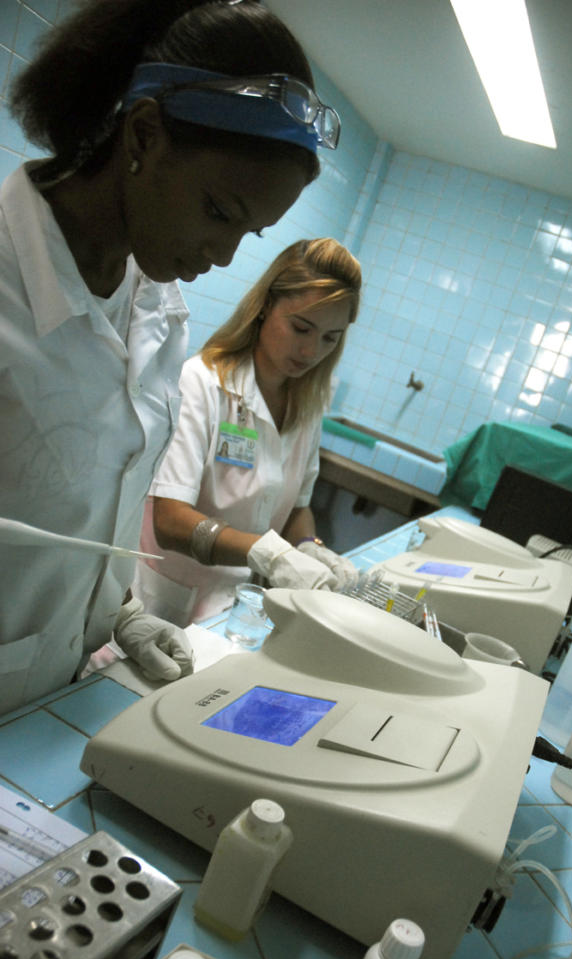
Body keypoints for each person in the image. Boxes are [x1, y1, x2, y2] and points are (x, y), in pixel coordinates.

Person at [0, 0, 341, 713]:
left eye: (249, 234)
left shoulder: (156, 311)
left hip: (48, 698)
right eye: (219, 212)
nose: (221, 257)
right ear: (145, 135)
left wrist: (117, 611)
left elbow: (91, 513)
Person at [134, 238, 362, 626]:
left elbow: (297, 508)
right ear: (265, 307)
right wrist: (270, 554)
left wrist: (309, 546)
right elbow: (170, 521)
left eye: (330, 338)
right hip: (165, 604)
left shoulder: (307, 408)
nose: (311, 352)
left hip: (235, 608)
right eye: (301, 328)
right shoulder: (202, 384)